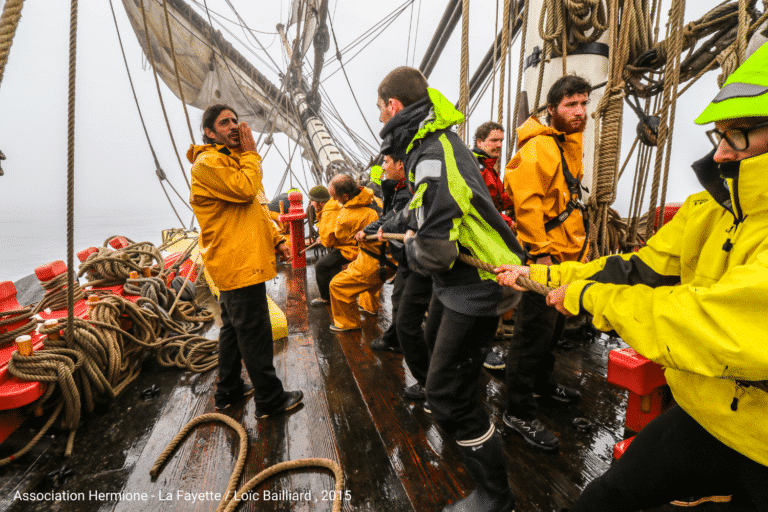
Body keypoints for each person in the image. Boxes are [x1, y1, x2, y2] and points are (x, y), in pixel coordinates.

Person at [496, 41, 768, 510]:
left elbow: (712, 325)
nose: (721, 153)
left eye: (738, 135)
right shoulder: (712, 209)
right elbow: (634, 269)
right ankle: (519, 409)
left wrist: (586, 294)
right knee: (605, 497)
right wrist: (543, 267)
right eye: (720, 135)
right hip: (708, 410)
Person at [378, 66, 525, 512]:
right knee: (439, 361)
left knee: (446, 395)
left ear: (394, 107)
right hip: (455, 286)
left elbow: (437, 251)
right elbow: (426, 211)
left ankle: (496, 497)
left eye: (380, 109)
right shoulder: (430, 144)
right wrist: (391, 224)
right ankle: (472, 422)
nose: (380, 117)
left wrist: (409, 251)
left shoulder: (430, 153)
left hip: (477, 284)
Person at [188, 104, 303, 418]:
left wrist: (277, 239)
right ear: (209, 133)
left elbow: (257, 208)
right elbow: (243, 190)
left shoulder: (236, 163)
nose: (234, 125)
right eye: (224, 122)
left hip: (240, 260)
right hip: (237, 263)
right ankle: (269, 399)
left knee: (233, 330)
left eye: (236, 120)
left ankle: (228, 391)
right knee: (255, 331)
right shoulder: (209, 163)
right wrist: (252, 153)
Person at [500, 75, 590, 451]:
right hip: (546, 256)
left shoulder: (569, 144)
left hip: (568, 254)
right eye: (571, 104)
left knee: (554, 329)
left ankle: (540, 383)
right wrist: (540, 252)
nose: (580, 112)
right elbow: (528, 202)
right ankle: (516, 409)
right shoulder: (539, 148)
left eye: (584, 104)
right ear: (551, 109)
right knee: (533, 332)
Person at [473, 121, 516, 371]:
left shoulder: (490, 169)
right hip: (482, 242)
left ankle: (480, 346)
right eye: (493, 141)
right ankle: (482, 350)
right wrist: (507, 220)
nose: (499, 145)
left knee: (490, 294)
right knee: (486, 294)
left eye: (501, 141)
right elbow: (481, 205)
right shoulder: (477, 169)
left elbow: (498, 199)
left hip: (492, 239)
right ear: (479, 142)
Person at [358, 154, 411, 352]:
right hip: (407, 253)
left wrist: (369, 230)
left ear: (400, 165)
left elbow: (393, 217)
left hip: (413, 253)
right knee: (401, 297)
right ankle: (395, 338)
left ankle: (397, 340)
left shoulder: (405, 191)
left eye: (386, 162)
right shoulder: (397, 188)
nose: (382, 168)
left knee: (402, 299)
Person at [327, 174, 387, 332]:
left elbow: (338, 236)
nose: (335, 201)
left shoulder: (346, 215)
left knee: (337, 285)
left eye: (335, 197)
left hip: (374, 263)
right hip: (391, 260)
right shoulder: (375, 199)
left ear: (345, 196)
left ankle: (348, 323)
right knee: (367, 280)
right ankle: (369, 307)